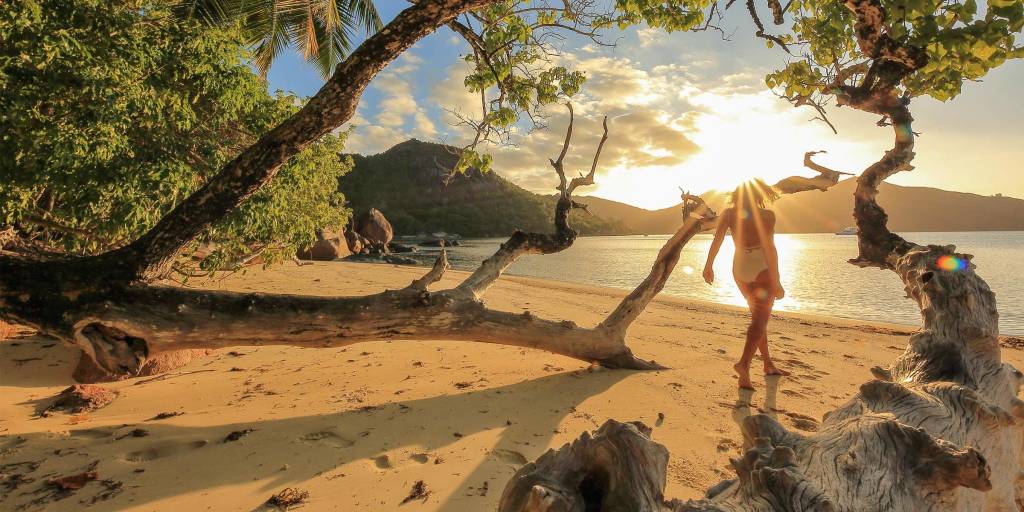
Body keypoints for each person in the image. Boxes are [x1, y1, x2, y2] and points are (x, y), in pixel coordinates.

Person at [702, 179, 789, 389]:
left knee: (757, 318)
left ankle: (767, 363)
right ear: (759, 195)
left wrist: (709, 265)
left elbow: (718, 239)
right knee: (760, 319)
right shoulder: (768, 216)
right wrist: (776, 280)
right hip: (761, 266)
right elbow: (770, 248)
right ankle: (743, 364)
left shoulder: (729, 214)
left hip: (740, 266)